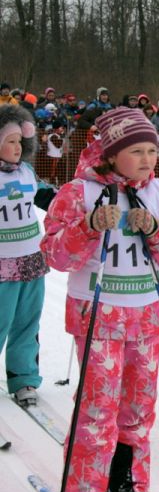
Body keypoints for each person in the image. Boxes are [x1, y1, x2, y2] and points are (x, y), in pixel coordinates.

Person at [42, 107, 159, 492]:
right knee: (97, 409)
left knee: (137, 408)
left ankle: (128, 480)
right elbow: (55, 254)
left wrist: (157, 231)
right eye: (136, 151)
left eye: (152, 150)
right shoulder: (78, 193)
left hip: (146, 316)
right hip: (97, 315)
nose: (148, 159)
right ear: (110, 154)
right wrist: (89, 226)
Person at [0, 105, 54, 406]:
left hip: (32, 260)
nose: (17, 148)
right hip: (2, 265)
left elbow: (50, 197)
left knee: (27, 322)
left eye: (20, 142)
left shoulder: (27, 172)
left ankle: (23, 378)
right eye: (10, 141)